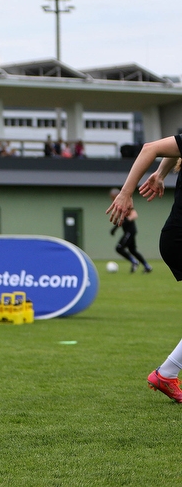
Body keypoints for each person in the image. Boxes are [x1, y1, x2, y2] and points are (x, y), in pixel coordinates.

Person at [107, 135, 182, 402]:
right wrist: (126, 193)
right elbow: (150, 148)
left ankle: (167, 373)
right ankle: (166, 373)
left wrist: (160, 173)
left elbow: (173, 149)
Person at [108, 188, 152, 273]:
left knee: (119, 248)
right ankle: (147, 267)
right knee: (132, 250)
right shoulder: (119, 206)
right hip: (129, 231)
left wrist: (128, 219)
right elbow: (121, 220)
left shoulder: (125, 204)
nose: (112, 199)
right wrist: (114, 229)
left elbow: (134, 214)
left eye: (112, 197)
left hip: (130, 231)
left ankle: (134, 261)